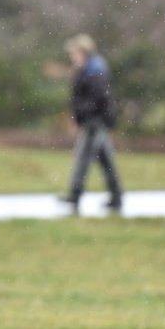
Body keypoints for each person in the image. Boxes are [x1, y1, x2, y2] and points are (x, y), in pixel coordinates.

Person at [59, 34, 123, 213]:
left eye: (74, 52)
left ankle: (75, 195)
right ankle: (116, 196)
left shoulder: (94, 70)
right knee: (105, 159)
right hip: (94, 120)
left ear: (82, 51)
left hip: (94, 121)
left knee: (83, 157)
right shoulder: (87, 69)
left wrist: (84, 115)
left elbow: (98, 98)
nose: (72, 55)